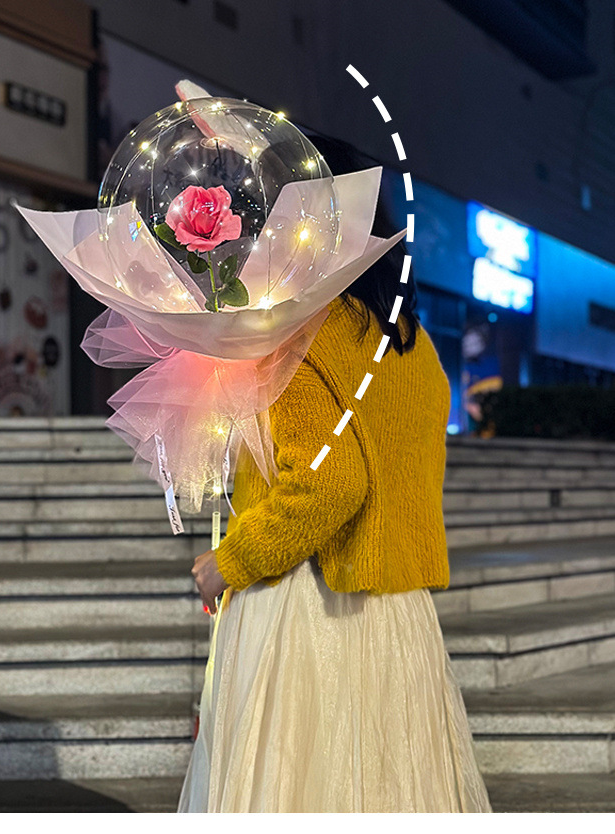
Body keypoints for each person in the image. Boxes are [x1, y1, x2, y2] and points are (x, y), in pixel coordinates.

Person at [178, 136, 493, 813]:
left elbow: (328, 483)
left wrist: (228, 561)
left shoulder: (300, 333)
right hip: (398, 613)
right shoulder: (409, 341)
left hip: (310, 611)